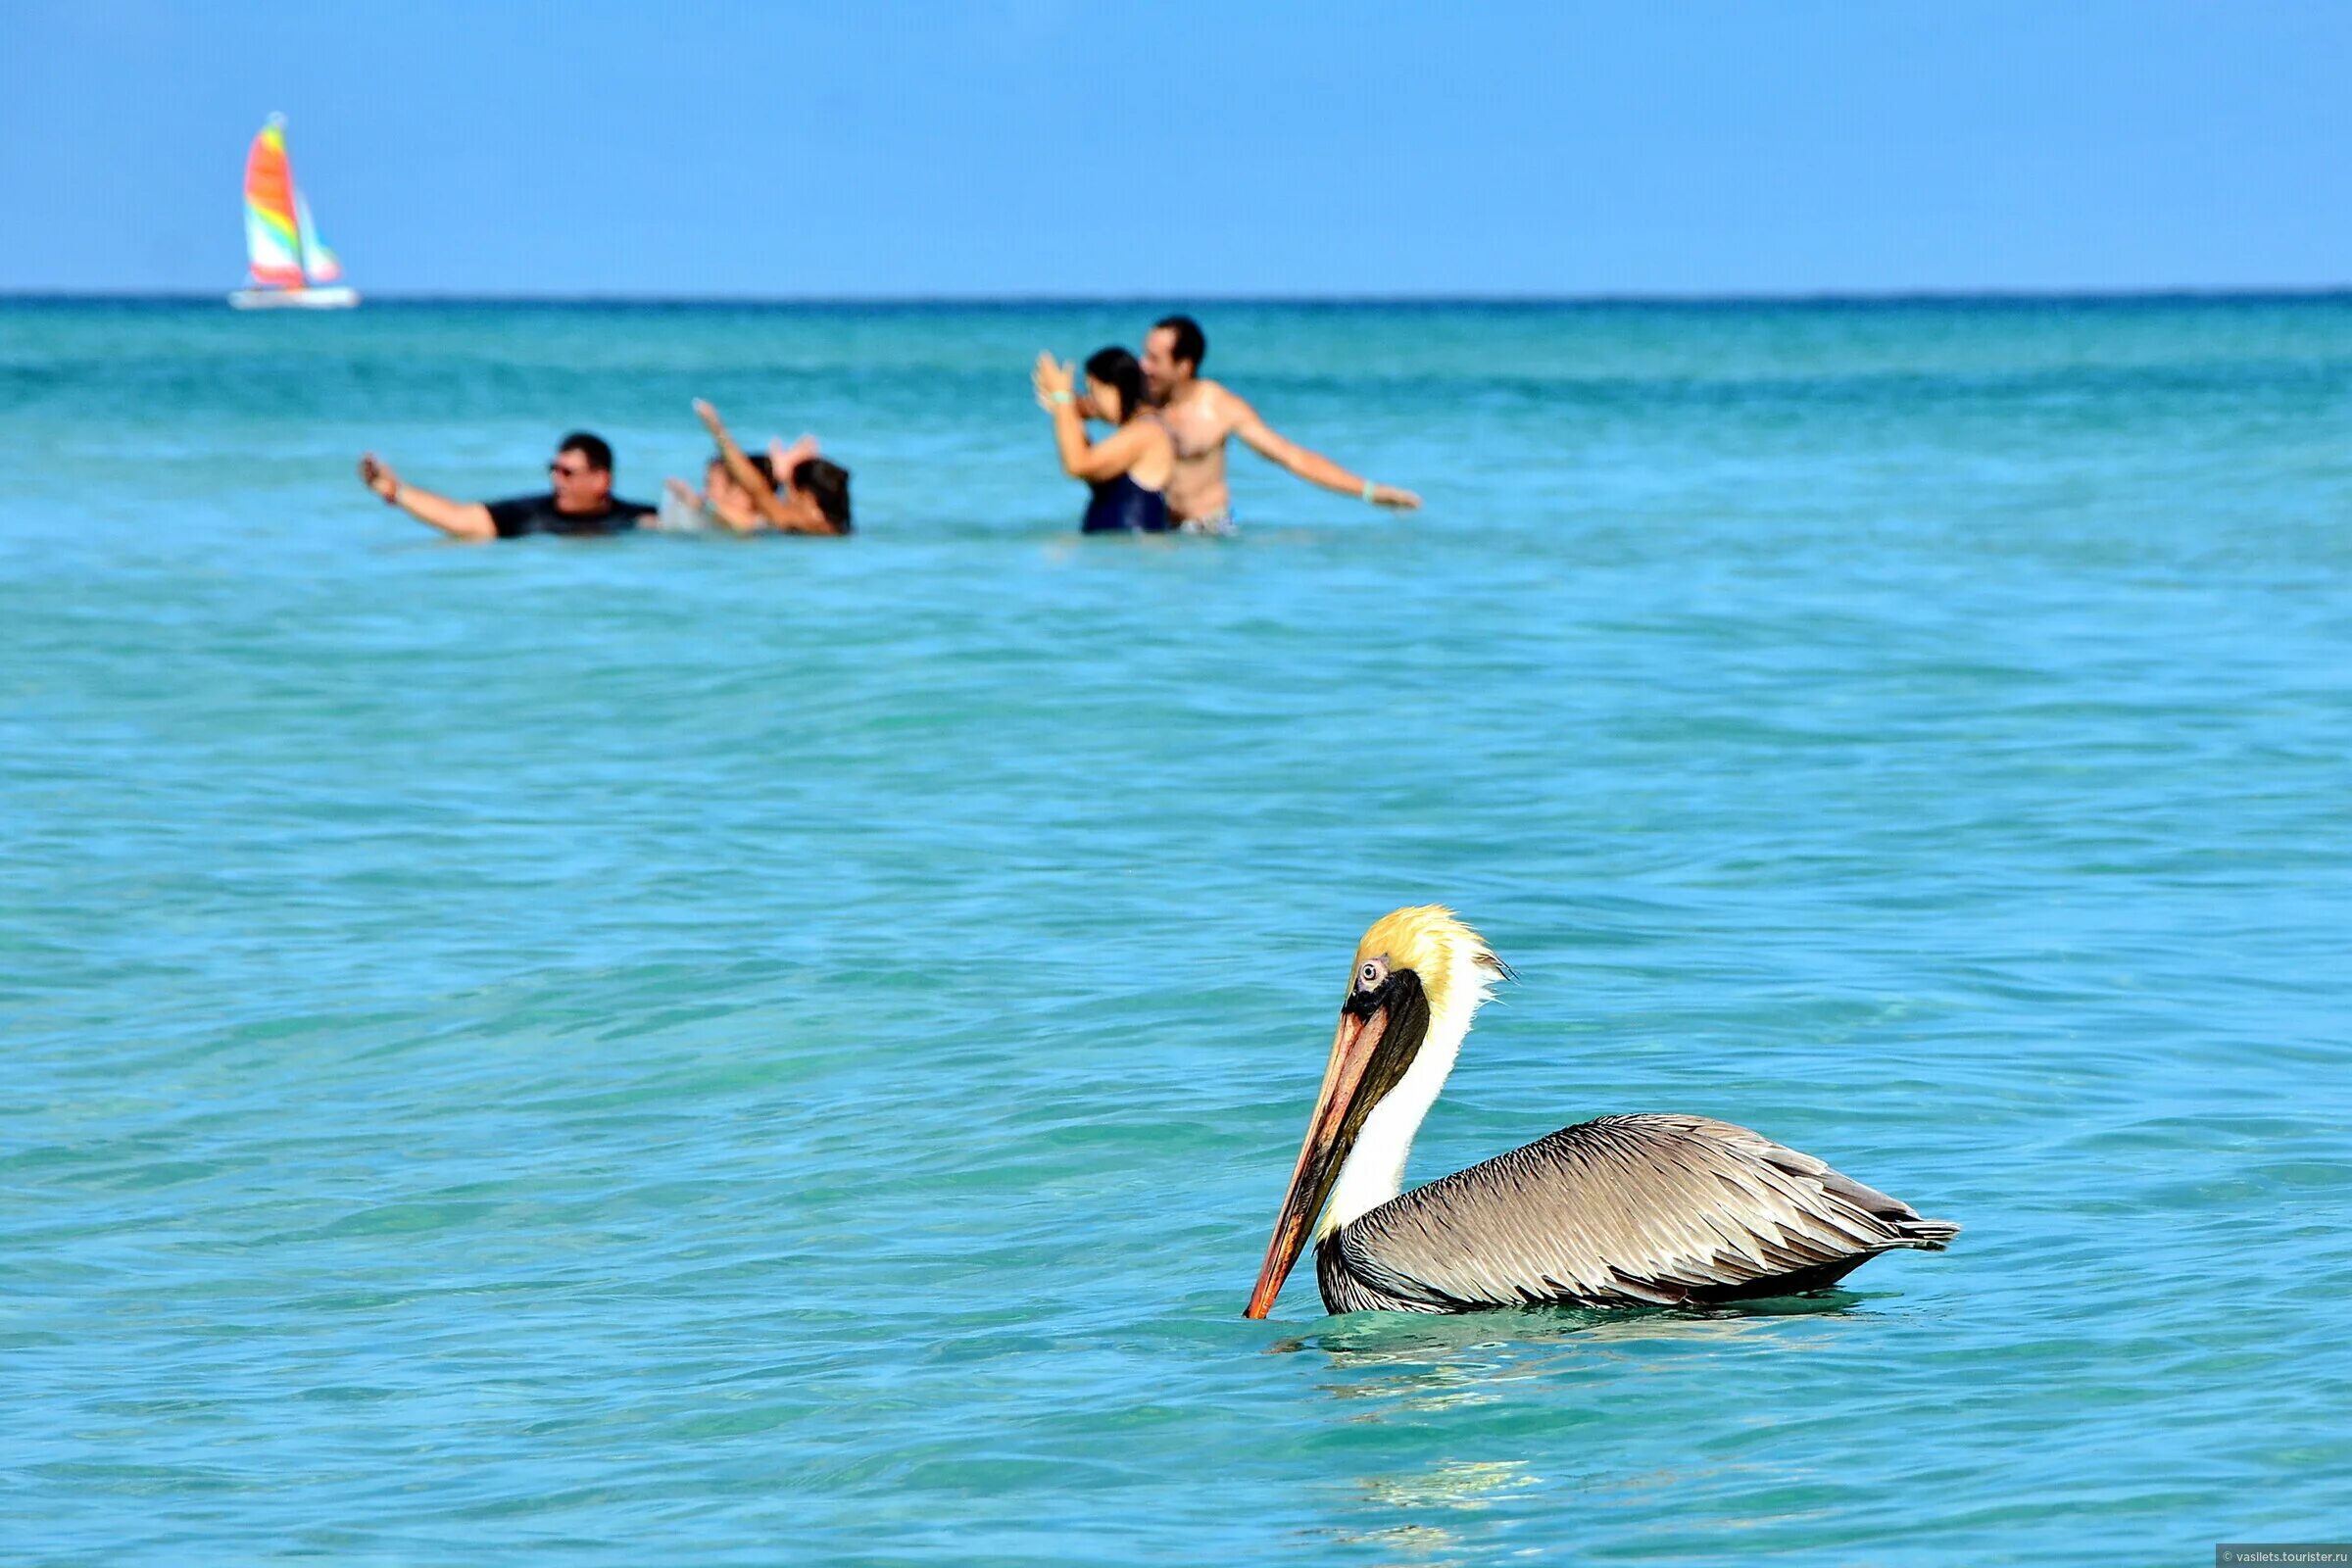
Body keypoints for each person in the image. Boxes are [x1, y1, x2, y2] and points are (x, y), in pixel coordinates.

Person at [1138, 314, 1419, 532]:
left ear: (1184, 366)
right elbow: (1094, 405)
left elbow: (1293, 457)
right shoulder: (1141, 402)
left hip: (1211, 531)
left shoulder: (1221, 408)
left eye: (1154, 359)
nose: (1143, 366)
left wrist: (1370, 491)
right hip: (1164, 529)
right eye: (1144, 355)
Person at [357, 432, 653, 540]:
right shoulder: (530, 514)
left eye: (567, 472)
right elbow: (462, 520)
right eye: (554, 470)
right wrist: (397, 492)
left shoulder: (633, 518)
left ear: (601, 479)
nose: (556, 479)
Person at [1034, 346, 1174, 533]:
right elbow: (1089, 468)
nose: (1091, 402)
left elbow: (1077, 464)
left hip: (1132, 555)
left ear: (1116, 388)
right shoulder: (1140, 431)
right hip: (1121, 554)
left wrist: (1062, 397)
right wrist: (1067, 411)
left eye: (1093, 392)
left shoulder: (1147, 432)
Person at [665, 400, 852, 536]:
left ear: (808, 498)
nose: (785, 497)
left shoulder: (801, 523)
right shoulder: (836, 526)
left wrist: (718, 431)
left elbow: (756, 490)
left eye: (790, 490)